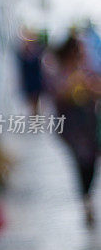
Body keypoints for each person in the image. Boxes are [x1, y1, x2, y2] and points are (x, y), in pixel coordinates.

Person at [44, 35, 101, 227]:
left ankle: (87, 197)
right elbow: (58, 93)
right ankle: (86, 200)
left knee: (90, 163)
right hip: (71, 128)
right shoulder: (57, 70)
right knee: (82, 163)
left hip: (89, 125)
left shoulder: (86, 68)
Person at [17, 29, 45, 114]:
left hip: (34, 81)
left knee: (35, 102)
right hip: (30, 82)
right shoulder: (25, 55)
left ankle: (35, 116)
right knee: (32, 102)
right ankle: (35, 116)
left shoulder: (35, 54)